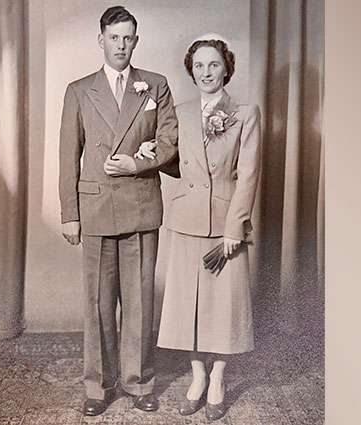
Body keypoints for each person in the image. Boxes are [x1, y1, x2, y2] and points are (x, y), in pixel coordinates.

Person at [57, 5, 178, 417]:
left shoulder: (155, 86)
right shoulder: (79, 90)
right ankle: (98, 386)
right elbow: (66, 157)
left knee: (140, 301)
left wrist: (137, 164)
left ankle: (138, 382)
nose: (121, 46)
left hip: (141, 206)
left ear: (136, 41)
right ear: (101, 40)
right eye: (114, 38)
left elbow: (170, 143)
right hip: (95, 207)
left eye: (128, 38)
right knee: (97, 302)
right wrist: (69, 214)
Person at [137, 39, 261, 421]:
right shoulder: (181, 111)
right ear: (192, 71)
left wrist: (234, 227)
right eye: (199, 66)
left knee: (223, 309)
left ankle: (219, 379)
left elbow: (249, 175)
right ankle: (197, 377)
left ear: (226, 68)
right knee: (189, 306)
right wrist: (146, 153)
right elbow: (173, 158)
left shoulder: (245, 113)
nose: (206, 72)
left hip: (226, 225)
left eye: (213, 64)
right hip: (186, 220)